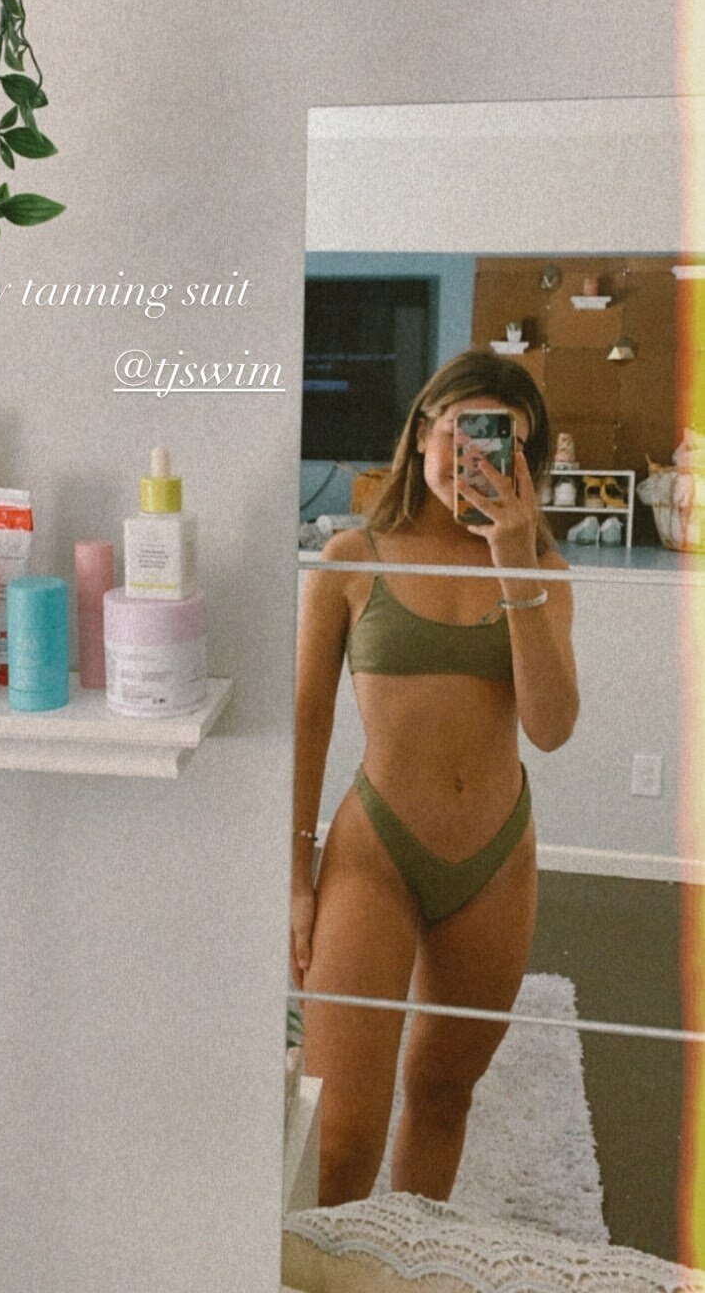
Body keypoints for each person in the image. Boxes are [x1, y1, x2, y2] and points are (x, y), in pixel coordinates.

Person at [290, 348, 579, 1208]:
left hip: (495, 859)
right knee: (341, 1134)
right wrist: (294, 876)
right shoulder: (351, 557)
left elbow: (551, 728)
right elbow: (308, 726)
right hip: (375, 851)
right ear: (422, 432)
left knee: (444, 1095)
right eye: (464, 430)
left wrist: (515, 560)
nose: (477, 456)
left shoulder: (543, 574)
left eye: (504, 442)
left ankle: (409, 1263)